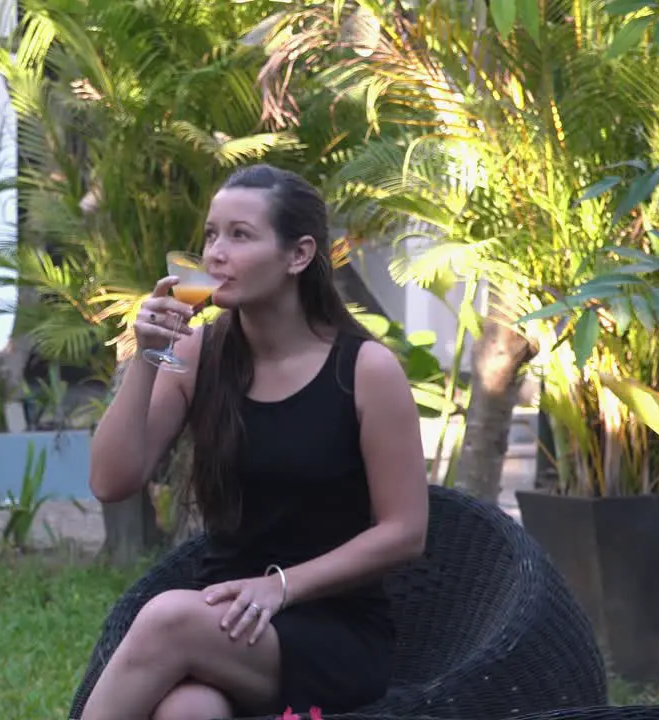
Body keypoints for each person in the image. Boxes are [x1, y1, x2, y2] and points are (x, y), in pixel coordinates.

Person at [79, 164, 429, 720]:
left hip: (329, 628)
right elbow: (111, 481)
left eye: (240, 235)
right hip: (224, 619)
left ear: (298, 255)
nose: (216, 253)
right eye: (211, 235)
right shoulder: (196, 355)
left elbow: (404, 533)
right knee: (189, 711)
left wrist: (279, 588)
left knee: (169, 617)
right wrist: (147, 355)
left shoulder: (365, 370)